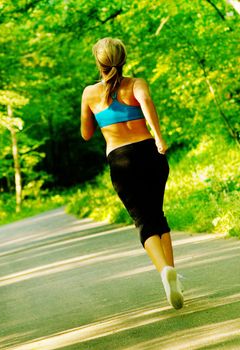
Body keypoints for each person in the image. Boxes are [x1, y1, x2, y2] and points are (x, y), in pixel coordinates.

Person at [80, 37, 184, 310]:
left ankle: (164, 272)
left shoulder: (89, 93)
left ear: (99, 62)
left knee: (143, 221)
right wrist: (159, 138)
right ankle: (173, 276)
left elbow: (86, 133)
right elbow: (147, 103)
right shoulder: (137, 84)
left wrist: (100, 114)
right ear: (123, 59)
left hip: (121, 160)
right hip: (151, 154)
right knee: (157, 215)